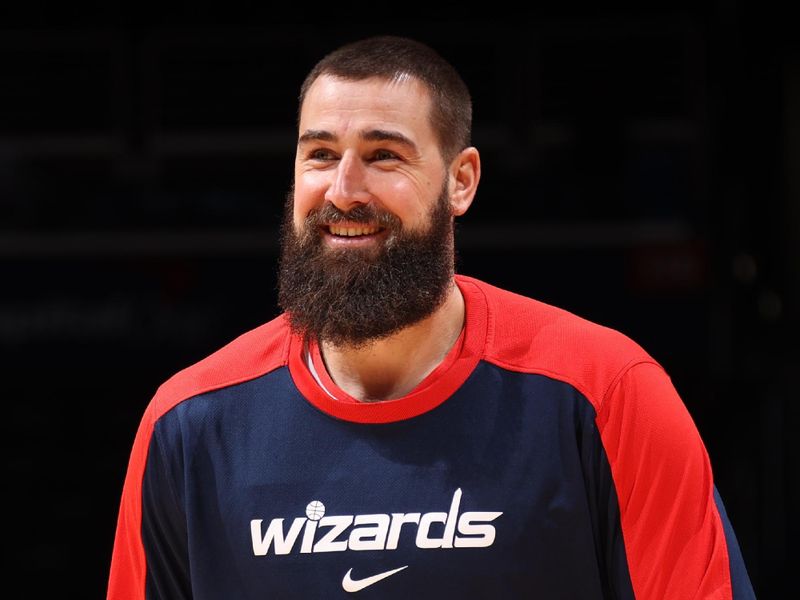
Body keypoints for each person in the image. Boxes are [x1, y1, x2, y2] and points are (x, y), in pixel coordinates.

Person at [107, 35, 755, 599]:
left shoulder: (608, 392)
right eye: (321, 154)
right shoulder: (188, 424)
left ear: (462, 180)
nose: (343, 190)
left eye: (384, 155)